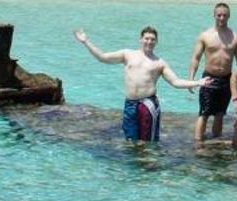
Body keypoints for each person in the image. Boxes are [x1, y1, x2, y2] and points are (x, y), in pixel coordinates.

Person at [73, 26, 201, 142]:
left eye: (152, 39)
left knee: (147, 143)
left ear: (156, 42)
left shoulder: (159, 63)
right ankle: (133, 167)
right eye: (146, 38)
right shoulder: (127, 54)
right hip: (130, 104)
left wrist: (197, 82)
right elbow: (103, 57)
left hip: (148, 104)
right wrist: (86, 42)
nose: (149, 42)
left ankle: (149, 165)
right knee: (130, 140)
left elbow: (175, 81)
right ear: (141, 39)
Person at [189, 2, 237, 144]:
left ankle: (216, 142)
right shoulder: (205, 36)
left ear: (229, 16)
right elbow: (196, 58)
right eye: (219, 15)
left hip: (227, 79)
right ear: (214, 15)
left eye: (224, 15)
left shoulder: (235, 37)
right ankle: (198, 144)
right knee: (204, 113)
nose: (221, 18)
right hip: (209, 78)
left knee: (220, 114)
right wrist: (191, 80)